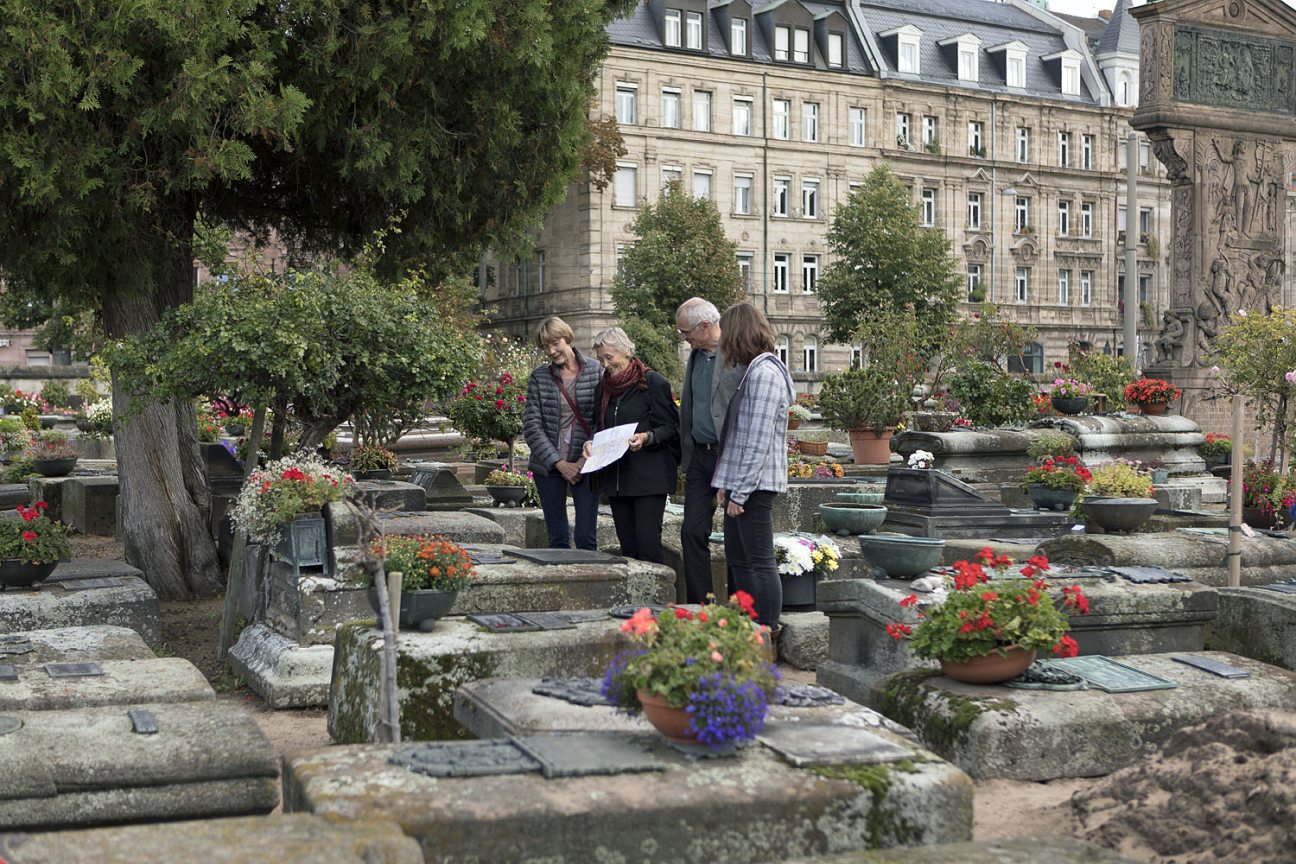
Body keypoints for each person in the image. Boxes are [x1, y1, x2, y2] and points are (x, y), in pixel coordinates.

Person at [711, 302, 794, 630]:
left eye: (726, 336)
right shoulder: (756, 371)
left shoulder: (764, 374)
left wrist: (740, 493)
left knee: (759, 562)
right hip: (744, 485)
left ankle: (767, 631)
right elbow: (739, 437)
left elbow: (757, 442)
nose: (723, 344)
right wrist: (726, 484)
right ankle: (748, 627)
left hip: (755, 488)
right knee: (740, 561)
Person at [582, 327, 680, 564]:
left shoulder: (653, 382)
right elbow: (598, 425)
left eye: (609, 357)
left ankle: (658, 599)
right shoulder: (603, 389)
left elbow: (672, 427)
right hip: (618, 479)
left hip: (649, 479)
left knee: (648, 546)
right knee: (629, 550)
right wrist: (590, 442)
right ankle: (637, 601)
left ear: (626, 352)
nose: (605, 364)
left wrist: (647, 437)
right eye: (600, 359)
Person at [675, 297, 745, 603]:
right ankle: (700, 606)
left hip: (727, 455)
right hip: (700, 459)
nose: (683, 338)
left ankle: (739, 606)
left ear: (705, 327)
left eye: (686, 332)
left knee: (736, 536)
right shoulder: (695, 355)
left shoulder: (738, 355)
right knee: (692, 532)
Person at [522, 316, 601, 550]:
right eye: (545, 346)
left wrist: (580, 461)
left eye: (554, 343)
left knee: (587, 536)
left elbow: (603, 420)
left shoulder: (596, 371)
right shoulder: (540, 377)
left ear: (567, 338)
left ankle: (589, 583)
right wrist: (559, 463)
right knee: (557, 538)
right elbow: (532, 426)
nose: (551, 350)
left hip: (585, 463)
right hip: (549, 466)